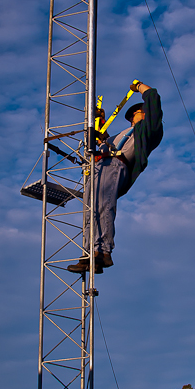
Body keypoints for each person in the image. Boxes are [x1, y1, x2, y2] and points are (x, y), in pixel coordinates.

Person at [68, 82, 163, 274]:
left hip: (114, 165)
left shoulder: (148, 129)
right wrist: (98, 124)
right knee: (90, 211)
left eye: (137, 113)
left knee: (103, 206)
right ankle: (89, 251)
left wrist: (141, 88)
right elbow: (103, 142)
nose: (133, 117)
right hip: (98, 167)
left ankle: (102, 251)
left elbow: (153, 99)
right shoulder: (121, 135)